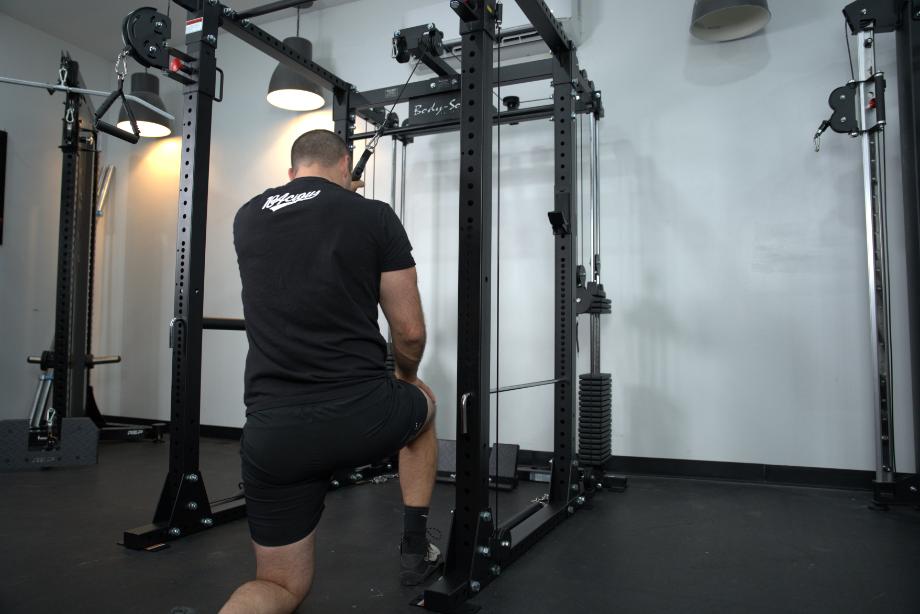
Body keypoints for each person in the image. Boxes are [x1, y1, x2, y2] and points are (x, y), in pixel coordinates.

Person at [220, 129, 441, 614]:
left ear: (291, 171)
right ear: (347, 164)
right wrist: (406, 376)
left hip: (273, 434)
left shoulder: (248, 218)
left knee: (277, 586)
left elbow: (304, 226)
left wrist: (332, 195)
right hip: (360, 417)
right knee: (423, 406)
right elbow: (409, 333)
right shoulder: (374, 216)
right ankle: (415, 542)